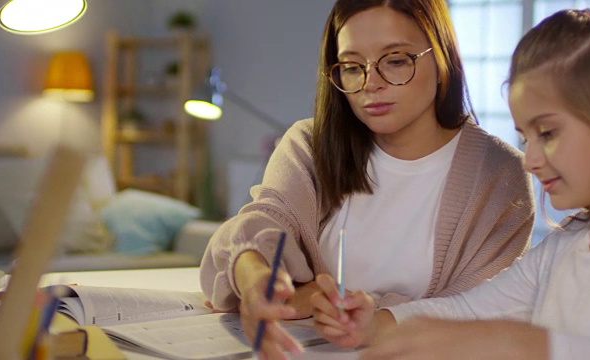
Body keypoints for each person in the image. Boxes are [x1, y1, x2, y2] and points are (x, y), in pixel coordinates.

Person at [200, 0, 534, 357]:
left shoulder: (498, 175)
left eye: (395, 60)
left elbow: (474, 311)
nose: (370, 84)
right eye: (352, 66)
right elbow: (256, 227)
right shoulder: (309, 146)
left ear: (442, 60)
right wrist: (256, 281)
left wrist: (337, 303)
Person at [310, 8, 590, 360]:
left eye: (548, 133)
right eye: (526, 138)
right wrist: (374, 324)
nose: (530, 160)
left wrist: (521, 344)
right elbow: (468, 310)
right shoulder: (562, 250)